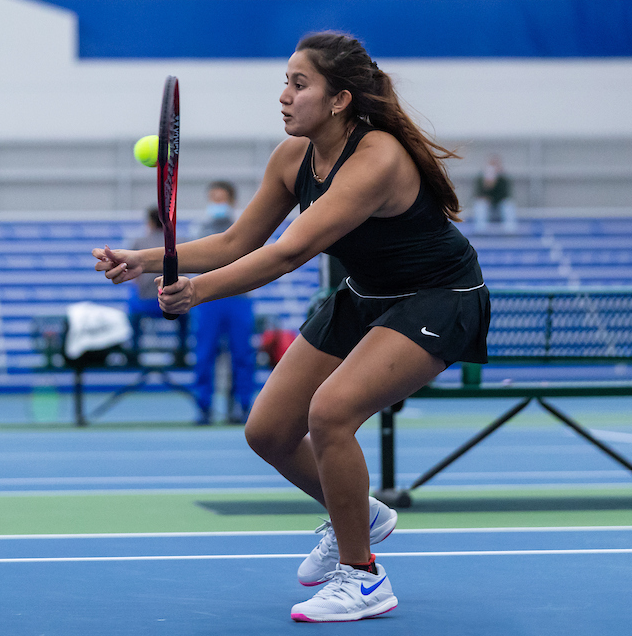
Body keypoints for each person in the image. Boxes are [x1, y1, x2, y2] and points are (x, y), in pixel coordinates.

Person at [93, 31, 489, 622]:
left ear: (339, 100)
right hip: (364, 296)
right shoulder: (291, 159)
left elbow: (287, 254)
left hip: (436, 298)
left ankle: (363, 578)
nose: (284, 95)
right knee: (268, 430)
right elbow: (235, 242)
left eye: (299, 84)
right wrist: (146, 261)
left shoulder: (377, 156)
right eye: (285, 80)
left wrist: (196, 291)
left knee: (330, 412)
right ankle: (363, 513)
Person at [190, 181, 256, 425]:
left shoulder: (246, 226)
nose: (217, 203)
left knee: (242, 354)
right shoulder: (200, 227)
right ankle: (204, 408)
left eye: (222, 199)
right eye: (213, 198)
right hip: (208, 299)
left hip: (239, 297)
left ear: (232, 201)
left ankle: (244, 406)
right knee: (204, 353)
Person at [128, 207, 190, 366]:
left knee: (132, 307)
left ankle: (133, 351)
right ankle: (182, 351)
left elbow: (133, 277)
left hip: (145, 304)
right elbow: (185, 274)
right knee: (187, 309)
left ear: (149, 222)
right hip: (173, 301)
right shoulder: (179, 242)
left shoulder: (139, 243)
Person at [471, 154, 516, 232]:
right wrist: (487, 186)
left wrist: (494, 184)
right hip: (487, 206)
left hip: (499, 205)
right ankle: (481, 230)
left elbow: (505, 195)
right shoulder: (481, 179)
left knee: (508, 205)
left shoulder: (503, 179)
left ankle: (510, 230)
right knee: (480, 205)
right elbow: (478, 195)